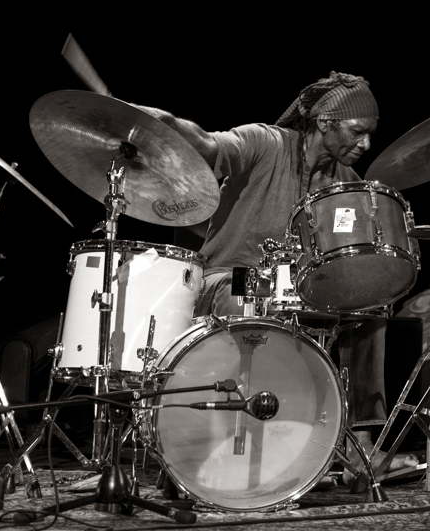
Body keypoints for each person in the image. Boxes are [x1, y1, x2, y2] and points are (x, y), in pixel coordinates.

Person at [134, 72, 392, 440]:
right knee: (246, 297)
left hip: (301, 289)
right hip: (229, 276)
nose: (366, 144)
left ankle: (360, 437)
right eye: (356, 131)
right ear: (324, 122)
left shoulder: (346, 181)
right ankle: (239, 431)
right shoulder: (263, 141)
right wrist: (165, 124)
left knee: (373, 306)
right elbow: (209, 145)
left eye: (370, 134)